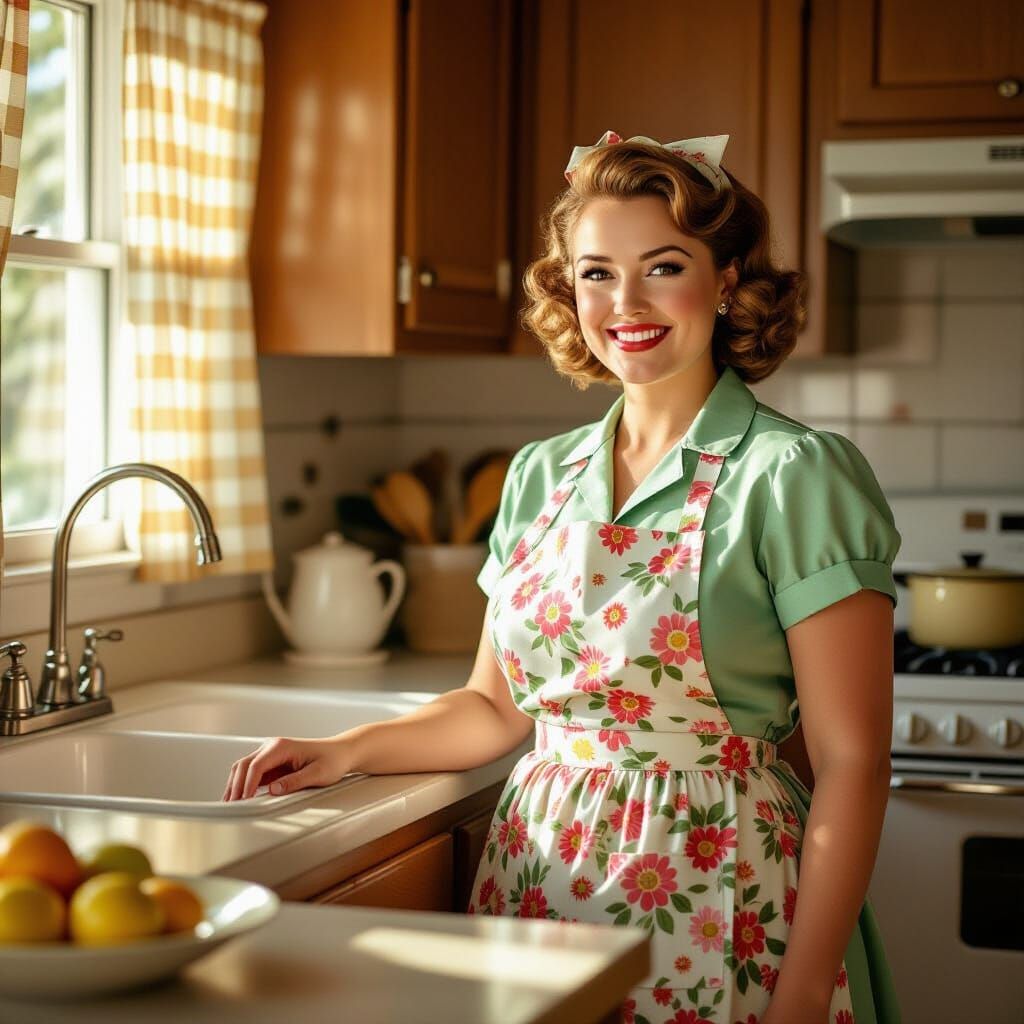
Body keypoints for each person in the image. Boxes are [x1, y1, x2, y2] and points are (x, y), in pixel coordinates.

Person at [223, 131, 902, 1024]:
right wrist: (343, 751)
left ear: (728, 277)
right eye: (595, 273)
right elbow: (495, 710)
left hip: (725, 901)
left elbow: (854, 761)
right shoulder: (540, 476)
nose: (626, 302)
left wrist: (805, 987)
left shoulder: (795, 473)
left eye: (663, 266)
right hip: (539, 889)